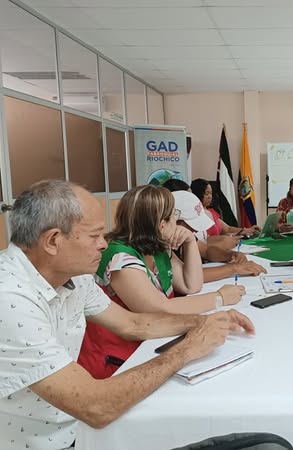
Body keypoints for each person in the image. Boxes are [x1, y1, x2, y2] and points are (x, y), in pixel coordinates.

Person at [0, 180, 254, 449]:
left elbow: (133, 323)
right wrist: (188, 349)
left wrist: (202, 322)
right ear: (53, 241)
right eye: (94, 236)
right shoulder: (9, 298)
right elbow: (95, 406)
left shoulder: (74, 275)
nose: (103, 244)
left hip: (80, 428)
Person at [77, 185, 246, 379]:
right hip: (117, 362)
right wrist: (219, 298)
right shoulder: (119, 258)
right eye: (173, 216)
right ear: (161, 224)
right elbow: (160, 309)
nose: (177, 222)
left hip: (149, 343)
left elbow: (191, 285)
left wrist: (190, 241)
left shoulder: (157, 247)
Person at [173, 190, 267, 281]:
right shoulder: (165, 246)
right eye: (191, 225)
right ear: (173, 221)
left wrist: (230, 255)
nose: (195, 230)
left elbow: (205, 250)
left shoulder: (184, 233)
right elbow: (189, 277)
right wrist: (233, 268)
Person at [191, 178, 260, 238]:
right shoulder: (195, 214)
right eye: (207, 193)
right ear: (198, 194)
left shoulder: (212, 212)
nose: (210, 197)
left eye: (211, 193)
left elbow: (228, 229)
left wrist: (248, 230)